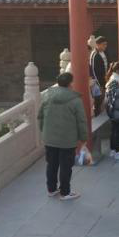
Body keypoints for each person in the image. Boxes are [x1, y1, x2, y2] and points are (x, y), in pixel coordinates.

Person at [37, 71, 88, 201]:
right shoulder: (75, 100)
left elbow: (40, 116)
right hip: (67, 139)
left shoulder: (47, 95)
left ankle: (51, 189)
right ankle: (65, 192)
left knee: (51, 164)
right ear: (70, 83)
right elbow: (81, 121)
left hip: (49, 138)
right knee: (66, 166)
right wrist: (83, 138)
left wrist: (44, 131)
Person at [105, 61, 119, 161]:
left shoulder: (116, 78)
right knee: (118, 130)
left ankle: (113, 150)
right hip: (115, 109)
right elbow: (113, 98)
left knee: (115, 130)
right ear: (118, 70)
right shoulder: (115, 80)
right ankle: (116, 151)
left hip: (114, 108)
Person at [90, 36, 109, 116]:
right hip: (99, 82)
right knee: (98, 99)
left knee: (103, 99)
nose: (105, 46)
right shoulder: (95, 54)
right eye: (103, 44)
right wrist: (99, 84)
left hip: (105, 79)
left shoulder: (105, 53)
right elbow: (94, 71)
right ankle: (97, 113)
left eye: (106, 44)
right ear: (97, 44)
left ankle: (101, 112)